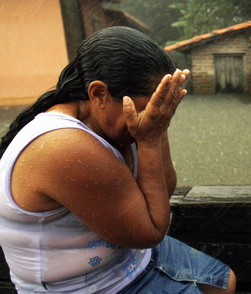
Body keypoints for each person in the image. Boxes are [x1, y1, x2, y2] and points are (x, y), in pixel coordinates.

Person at [0, 26, 236, 294]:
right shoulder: (65, 147)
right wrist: (149, 140)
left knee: (224, 283)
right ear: (99, 94)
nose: (150, 119)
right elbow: (150, 232)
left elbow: (163, 190)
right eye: (148, 110)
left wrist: (159, 125)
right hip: (86, 286)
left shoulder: (114, 121)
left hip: (126, 261)